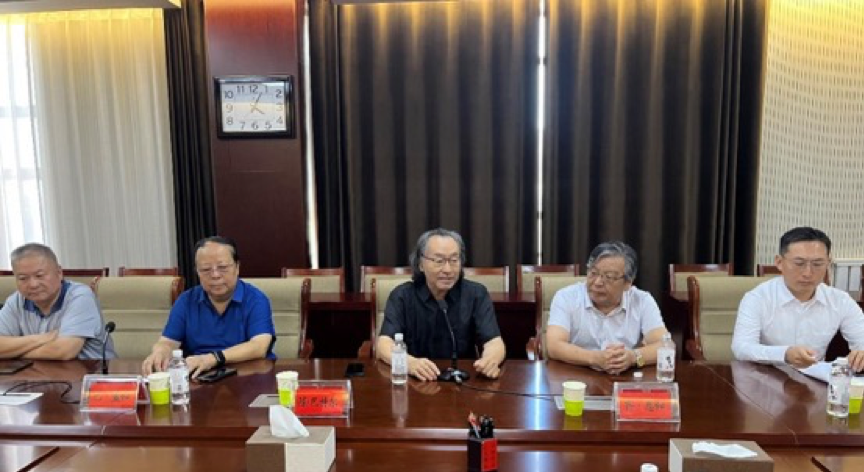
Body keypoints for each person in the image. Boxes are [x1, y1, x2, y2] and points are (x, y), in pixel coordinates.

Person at [376, 228, 506, 381]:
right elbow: (384, 344)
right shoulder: (402, 296)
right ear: (420, 264)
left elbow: (494, 341)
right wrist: (410, 363)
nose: (448, 269)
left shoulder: (476, 294)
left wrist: (490, 360)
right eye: (439, 261)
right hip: (416, 382)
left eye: (454, 260)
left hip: (463, 382)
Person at [732, 227, 864, 371]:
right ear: (779, 262)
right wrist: (785, 354)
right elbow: (741, 347)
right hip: (768, 376)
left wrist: (861, 354)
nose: (808, 273)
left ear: (828, 263)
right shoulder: (757, 298)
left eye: (817, 264)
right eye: (799, 263)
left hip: (816, 378)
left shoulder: (840, 301)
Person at [142, 236, 275, 377]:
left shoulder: (255, 299)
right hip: (199, 378)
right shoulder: (186, 301)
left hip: (248, 377)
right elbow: (168, 342)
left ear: (237, 267)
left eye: (223, 267)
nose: (215, 275)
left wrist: (213, 359)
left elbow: (259, 346)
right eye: (206, 269)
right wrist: (160, 352)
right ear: (197, 272)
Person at [545, 241, 669, 374]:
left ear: (627, 283)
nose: (598, 282)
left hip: (624, 378)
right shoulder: (566, 297)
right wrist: (595, 358)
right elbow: (554, 346)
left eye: (609, 277)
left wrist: (633, 358)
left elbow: (666, 346)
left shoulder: (642, 301)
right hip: (576, 376)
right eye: (593, 273)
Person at [0, 243, 115, 360]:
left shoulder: (80, 296)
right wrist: (39, 339)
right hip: (37, 370)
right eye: (23, 278)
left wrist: (13, 352)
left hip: (89, 369)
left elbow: (64, 351)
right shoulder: (17, 301)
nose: (33, 284)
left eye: (39, 275)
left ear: (59, 273)